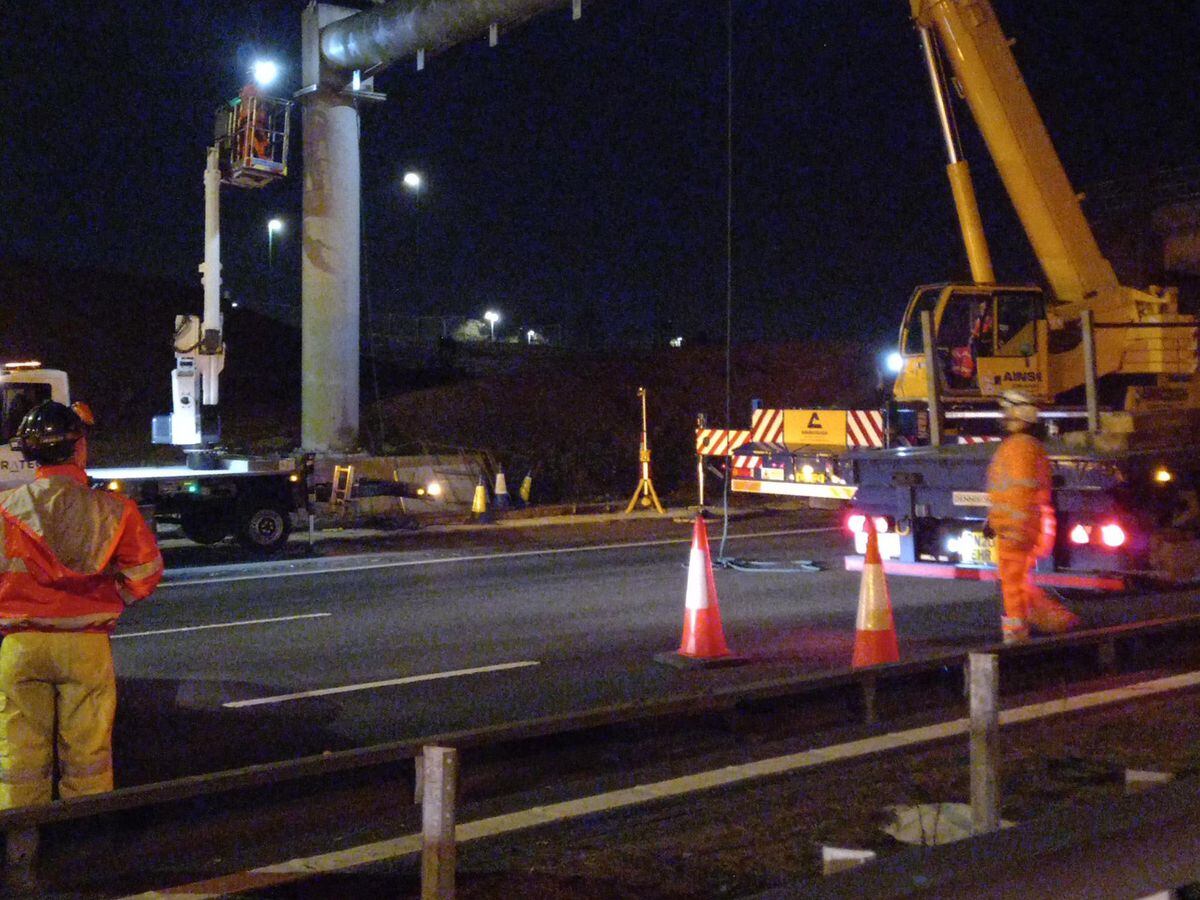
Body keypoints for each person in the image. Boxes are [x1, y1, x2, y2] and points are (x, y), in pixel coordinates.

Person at [0, 401, 162, 809]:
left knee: (18, 756)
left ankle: (21, 844)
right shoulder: (114, 510)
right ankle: (83, 841)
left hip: (20, 647)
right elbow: (145, 574)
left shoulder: (5, 509)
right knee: (87, 756)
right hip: (86, 646)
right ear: (79, 449)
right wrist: (110, 599)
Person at [985, 390, 1079, 643]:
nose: (1003, 417)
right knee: (1016, 581)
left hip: (1015, 528)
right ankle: (1055, 619)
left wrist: (1009, 525)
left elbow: (1019, 492)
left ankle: (1016, 635)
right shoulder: (1022, 447)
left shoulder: (1018, 448)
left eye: (1007, 412)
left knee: (1012, 583)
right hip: (1015, 526)